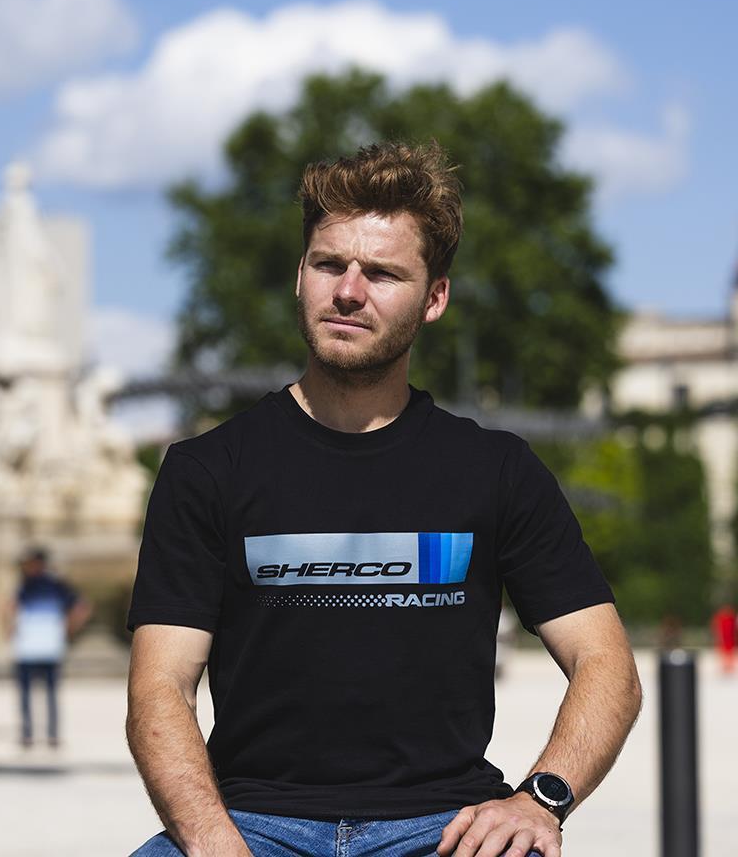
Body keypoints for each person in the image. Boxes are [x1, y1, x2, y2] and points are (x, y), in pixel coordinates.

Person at [126, 142, 642, 857]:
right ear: (299, 275)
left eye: (383, 273)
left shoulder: (497, 471)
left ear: (435, 298)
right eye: (329, 264)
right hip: (249, 823)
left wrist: (541, 799)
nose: (348, 291)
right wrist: (214, 841)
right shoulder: (208, 470)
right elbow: (159, 689)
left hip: (449, 827)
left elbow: (606, 664)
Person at [9, 547, 92, 747]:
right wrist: (68, 630)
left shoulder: (30, 585)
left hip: (34, 646)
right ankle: (47, 734)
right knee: (47, 693)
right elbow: (82, 607)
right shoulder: (55, 585)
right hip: (43, 645)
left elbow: (9, 607)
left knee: (34, 693)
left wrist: (68, 629)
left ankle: (32, 734)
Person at [710, 603, 736, 674]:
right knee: (724, 651)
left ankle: (729, 666)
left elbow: (734, 627)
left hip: (730, 637)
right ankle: (725, 666)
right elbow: (716, 626)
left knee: (729, 651)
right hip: (724, 637)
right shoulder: (721, 617)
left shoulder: (731, 617)